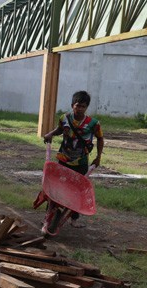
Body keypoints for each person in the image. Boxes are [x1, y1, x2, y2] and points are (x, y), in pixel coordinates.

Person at [42, 90, 104, 227]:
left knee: (77, 191)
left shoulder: (93, 123)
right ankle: (49, 214)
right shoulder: (65, 118)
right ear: (72, 105)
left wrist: (98, 157)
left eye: (83, 106)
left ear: (86, 107)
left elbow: (100, 138)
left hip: (81, 162)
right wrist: (50, 134)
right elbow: (59, 130)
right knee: (55, 188)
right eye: (77, 106)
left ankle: (73, 218)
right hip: (63, 159)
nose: (80, 109)